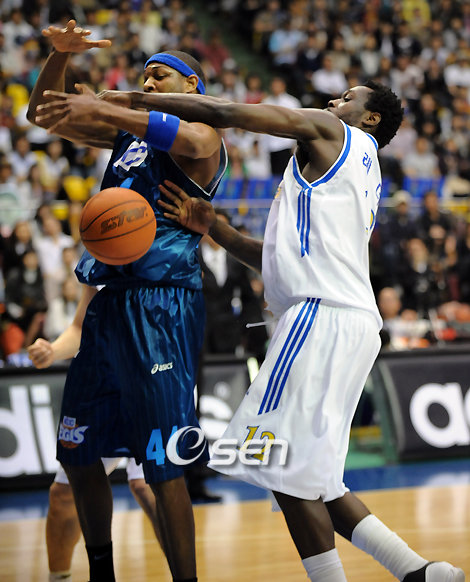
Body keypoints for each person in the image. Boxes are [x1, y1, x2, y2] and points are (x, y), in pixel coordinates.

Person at [73, 81, 466, 581]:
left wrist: (135, 100)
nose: (333, 102)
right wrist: (215, 227)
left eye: (348, 98)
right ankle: (419, 572)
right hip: (349, 321)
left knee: (275, 462)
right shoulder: (356, 171)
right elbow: (277, 261)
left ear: (370, 119)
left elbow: (226, 111)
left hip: (318, 318)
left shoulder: (331, 132)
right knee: (318, 481)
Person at [29, 20, 226, 582]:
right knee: (77, 451)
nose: (148, 82)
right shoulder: (128, 134)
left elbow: (192, 142)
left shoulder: (206, 131)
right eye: (143, 77)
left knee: (161, 463)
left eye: (160, 75)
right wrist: (59, 58)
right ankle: (101, 572)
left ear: (192, 84)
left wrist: (109, 104)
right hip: (109, 300)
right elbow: (41, 115)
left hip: (162, 304)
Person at [28, 285, 164, 582]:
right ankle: (59, 578)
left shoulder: (168, 259)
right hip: (102, 385)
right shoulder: (96, 262)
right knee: (63, 494)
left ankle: (183, 573)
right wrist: (52, 351)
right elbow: (80, 327)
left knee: (149, 488)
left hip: (155, 379)